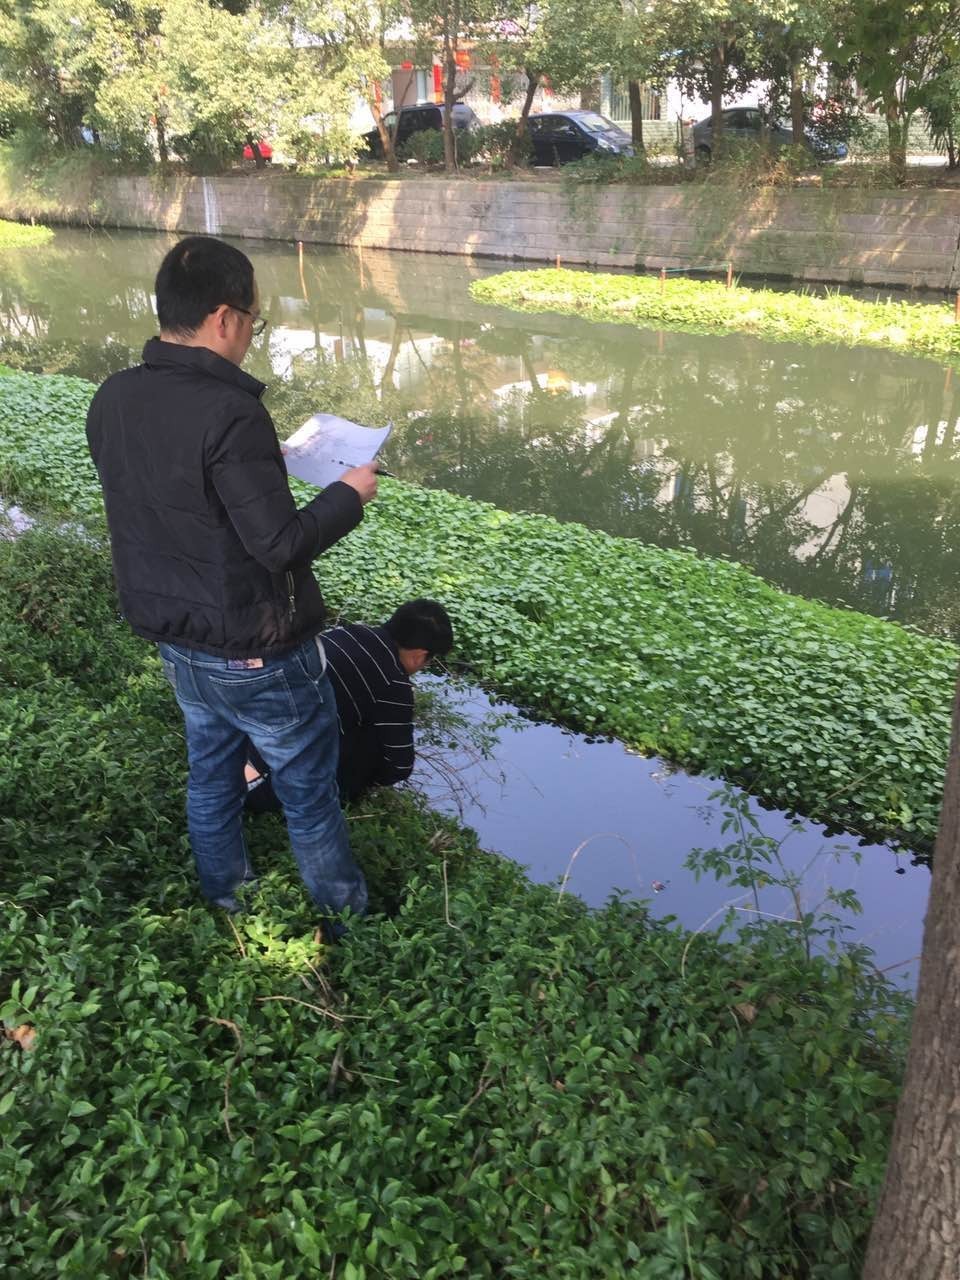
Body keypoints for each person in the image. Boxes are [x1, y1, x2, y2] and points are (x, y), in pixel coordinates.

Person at [85, 234, 378, 927]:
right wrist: (350, 495)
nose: (251, 334)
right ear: (224, 318)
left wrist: (258, 467)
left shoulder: (116, 395)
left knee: (212, 775)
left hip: (181, 642)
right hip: (258, 651)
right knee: (309, 792)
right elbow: (279, 546)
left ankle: (227, 897)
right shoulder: (231, 412)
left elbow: (173, 495)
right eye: (253, 319)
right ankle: (347, 918)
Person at [245, 599, 454, 812]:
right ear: (420, 655)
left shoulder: (345, 633)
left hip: (246, 735)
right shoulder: (393, 682)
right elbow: (399, 766)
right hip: (278, 776)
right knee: (371, 742)